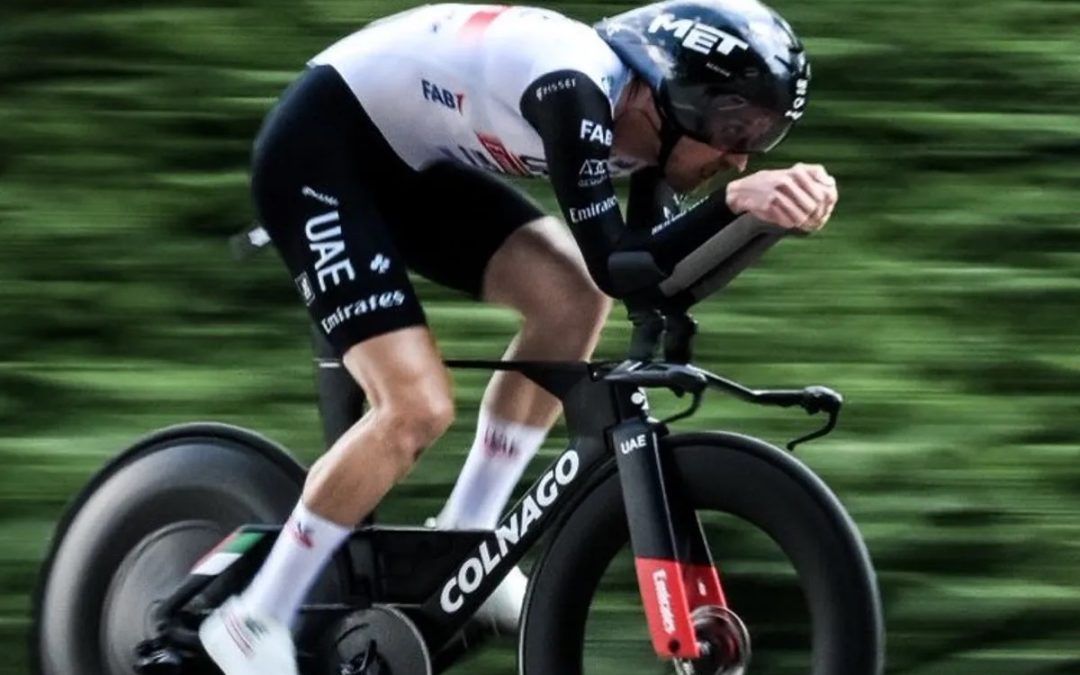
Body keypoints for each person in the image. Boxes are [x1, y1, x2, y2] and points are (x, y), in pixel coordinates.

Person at [199, 0, 837, 672]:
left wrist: (763, 224)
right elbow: (620, 263)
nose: (738, 159)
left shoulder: (653, 127)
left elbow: (652, 277)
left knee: (572, 299)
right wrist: (736, 206)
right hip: (320, 154)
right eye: (735, 128)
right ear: (673, 97)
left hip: (409, 165)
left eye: (759, 140)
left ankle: (470, 539)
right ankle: (253, 616)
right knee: (416, 407)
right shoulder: (575, 90)